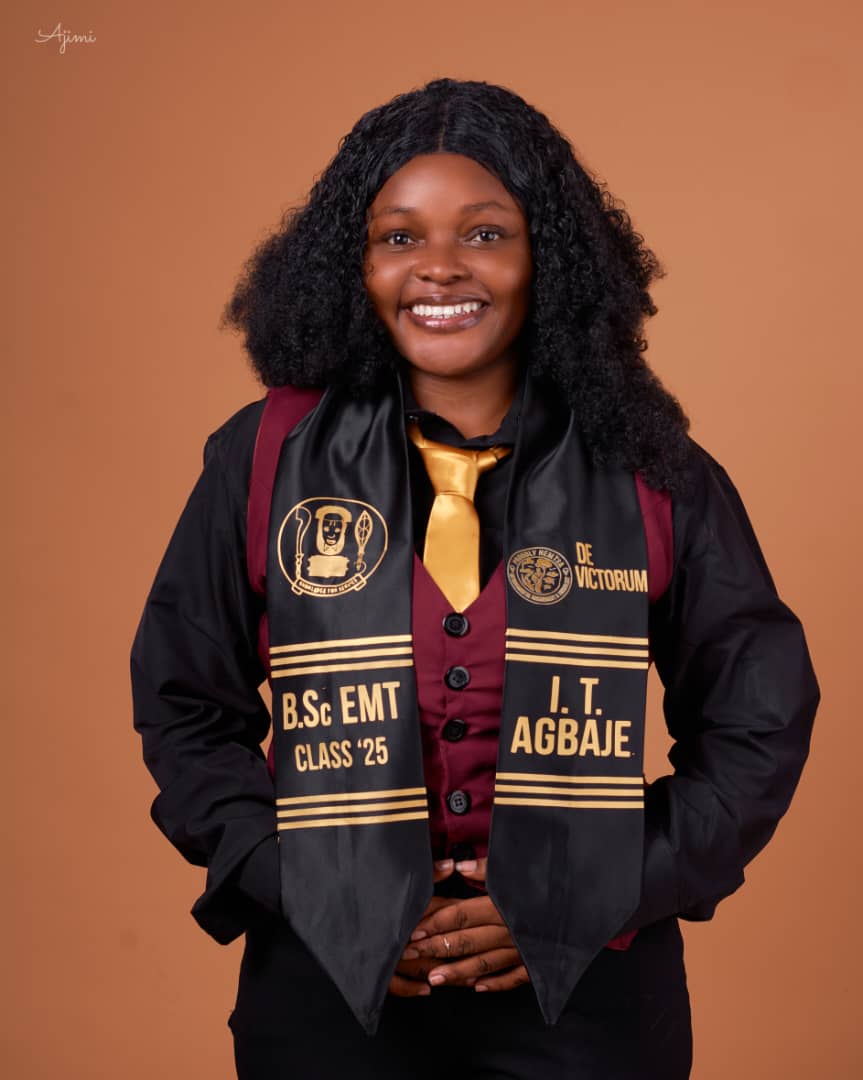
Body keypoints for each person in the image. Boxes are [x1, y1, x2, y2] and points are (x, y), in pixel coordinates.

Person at [130, 78, 819, 1079]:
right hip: (323, 1000)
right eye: (398, 238)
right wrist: (302, 882)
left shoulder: (650, 470)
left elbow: (759, 715)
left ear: (547, 257)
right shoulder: (264, 458)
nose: (439, 268)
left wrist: (604, 885)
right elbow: (184, 700)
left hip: (588, 1006)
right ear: (351, 265)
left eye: (485, 233)